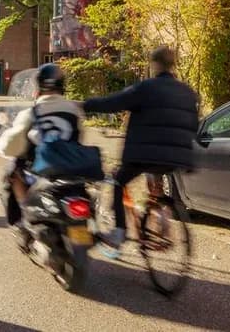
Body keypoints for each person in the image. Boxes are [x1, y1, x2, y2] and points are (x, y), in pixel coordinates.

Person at [83, 46, 198, 249]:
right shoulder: (187, 93)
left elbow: (114, 102)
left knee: (118, 183)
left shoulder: (146, 88)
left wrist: (87, 105)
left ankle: (119, 232)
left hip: (144, 154)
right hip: (177, 156)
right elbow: (192, 124)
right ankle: (160, 214)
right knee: (156, 180)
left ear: (154, 65)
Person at [0, 63, 84, 226]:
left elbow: (12, 143)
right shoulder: (74, 110)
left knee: (14, 173)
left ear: (38, 87)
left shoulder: (31, 112)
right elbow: (80, 137)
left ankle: (25, 217)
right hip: (72, 170)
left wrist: (1, 145)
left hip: (43, 170)